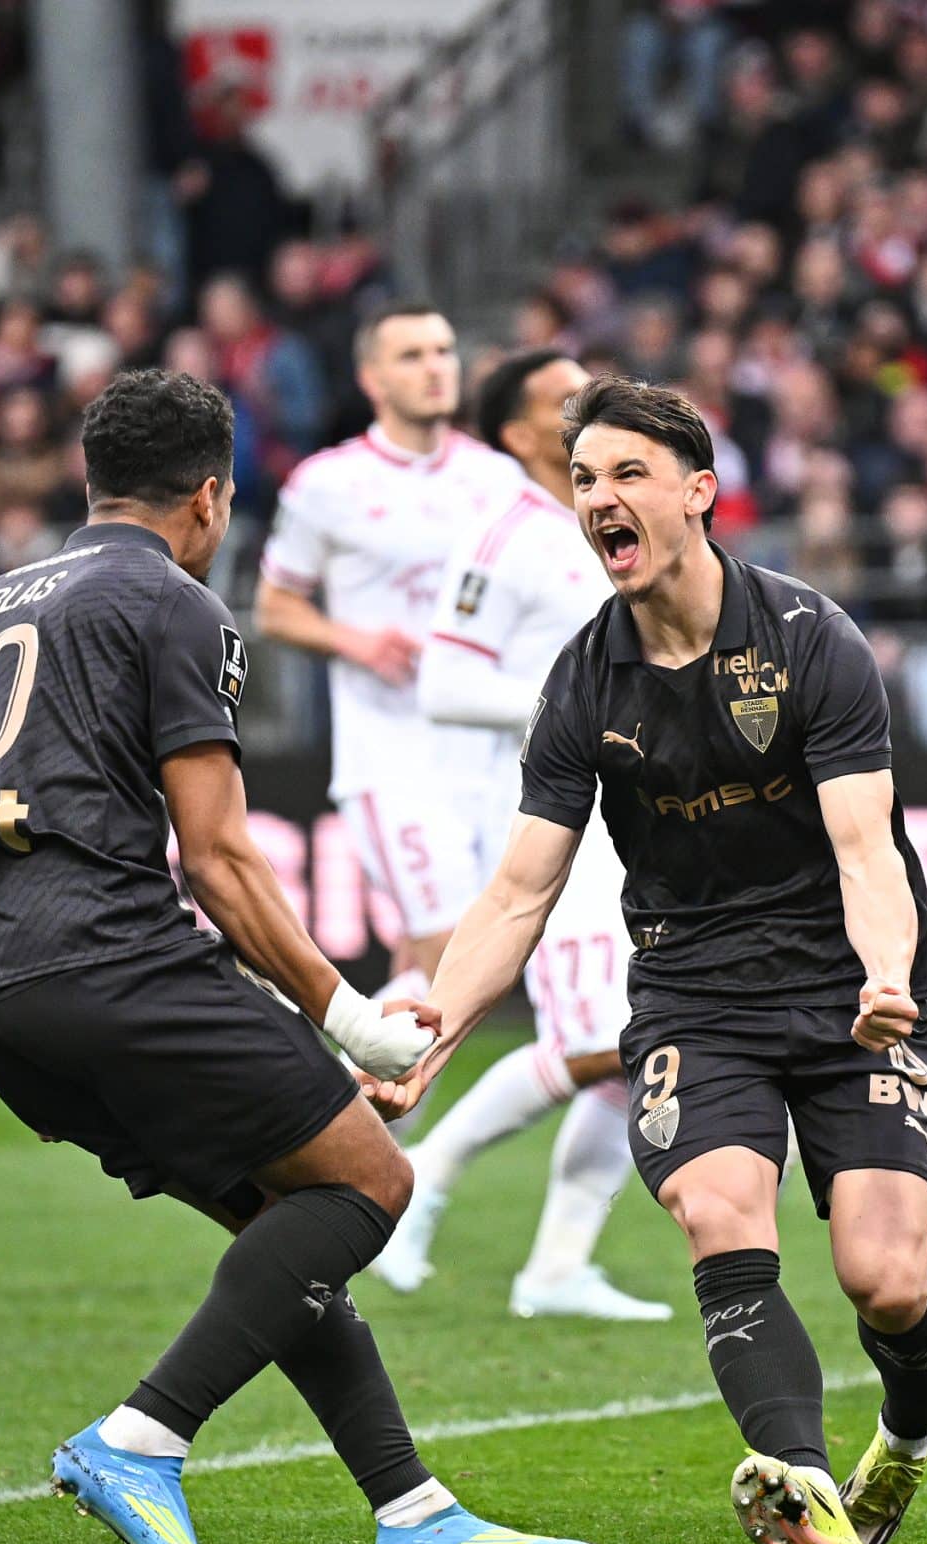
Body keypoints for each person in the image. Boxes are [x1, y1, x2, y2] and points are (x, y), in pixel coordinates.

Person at [0, 369, 602, 1544]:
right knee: (370, 1181)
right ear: (214, 498)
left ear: (89, 481)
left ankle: (415, 1517)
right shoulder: (172, 603)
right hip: (112, 962)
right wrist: (348, 1020)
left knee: (290, 1228)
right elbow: (218, 858)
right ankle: (142, 1437)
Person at [379, 377, 927, 1544]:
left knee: (885, 1282)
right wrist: (436, 1019)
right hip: (695, 995)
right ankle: (799, 1477)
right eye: (583, 479)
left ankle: (902, 1438)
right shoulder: (583, 681)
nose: (599, 499)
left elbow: (867, 847)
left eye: (626, 474)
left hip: (850, 986)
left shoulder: (809, 639)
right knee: (719, 1213)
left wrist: (889, 973)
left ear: (698, 493)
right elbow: (521, 891)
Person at [367, 350, 668, 1323]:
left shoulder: (604, 528)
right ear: (514, 434)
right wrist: (574, 710)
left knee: (638, 1042)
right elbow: (444, 685)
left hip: (629, 814)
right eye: (562, 400)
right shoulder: (505, 538)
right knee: (603, 1041)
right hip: (555, 819)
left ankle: (556, 1267)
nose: (586, 406)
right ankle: (421, 1179)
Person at [255, 302, 524, 1009]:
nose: (436, 367)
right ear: (372, 378)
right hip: (390, 756)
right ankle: (336, 1112)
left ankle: (366, 1114)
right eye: (412, 355)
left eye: (443, 350)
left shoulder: (499, 480)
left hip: (486, 753)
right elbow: (274, 606)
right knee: (454, 950)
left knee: (432, 965)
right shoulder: (327, 484)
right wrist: (357, 641)